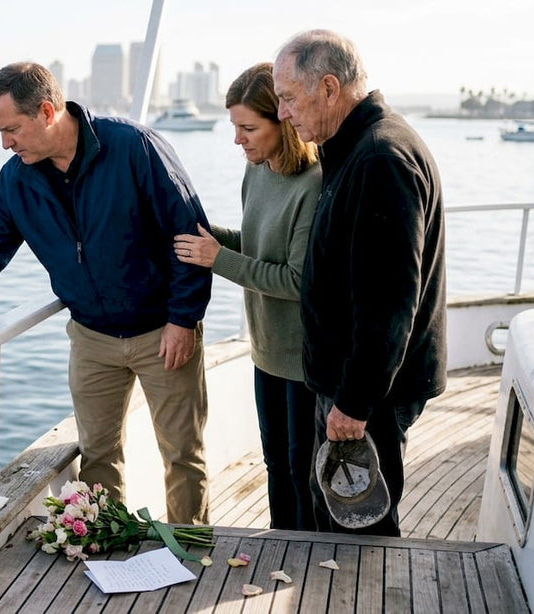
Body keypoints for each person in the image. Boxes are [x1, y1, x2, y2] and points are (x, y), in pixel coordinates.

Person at [0, 62, 214, 524]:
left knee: (182, 453)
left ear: (47, 112)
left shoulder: (134, 147)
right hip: (91, 340)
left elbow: (189, 235)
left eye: (11, 129)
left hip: (163, 332)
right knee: (98, 455)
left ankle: (191, 549)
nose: (5, 143)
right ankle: (106, 543)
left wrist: (182, 318)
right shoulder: (17, 180)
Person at [272, 30, 447, 536]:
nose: (282, 113)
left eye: (288, 97)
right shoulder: (353, 148)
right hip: (353, 383)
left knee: (358, 533)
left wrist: (353, 402)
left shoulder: (379, 159)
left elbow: (389, 302)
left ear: (329, 88)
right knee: (335, 520)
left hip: (368, 395)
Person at [173, 62, 321, 531]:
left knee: (302, 473)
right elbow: (256, 246)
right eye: (234, 127)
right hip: (264, 349)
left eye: (249, 128)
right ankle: (281, 549)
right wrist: (207, 238)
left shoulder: (314, 184)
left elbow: (297, 279)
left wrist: (216, 259)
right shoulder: (256, 171)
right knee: (275, 465)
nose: (238, 139)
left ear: (284, 120)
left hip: (303, 359)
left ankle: (309, 560)